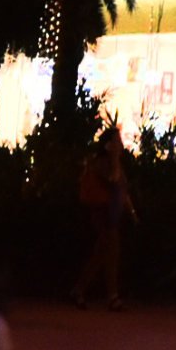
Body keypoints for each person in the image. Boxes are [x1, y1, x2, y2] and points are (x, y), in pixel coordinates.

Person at [70, 116, 132, 310]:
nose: (120, 145)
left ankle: (81, 291)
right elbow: (113, 181)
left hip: (111, 213)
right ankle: (110, 296)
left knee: (103, 253)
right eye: (116, 141)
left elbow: (123, 189)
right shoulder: (102, 163)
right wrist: (114, 161)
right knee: (109, 251)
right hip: (102, 212)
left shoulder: (113, 163)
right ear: (108, 145)